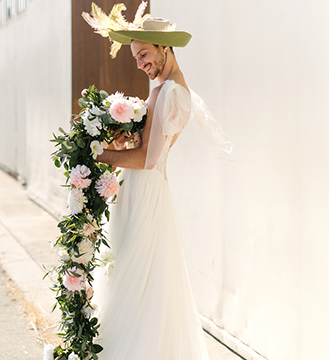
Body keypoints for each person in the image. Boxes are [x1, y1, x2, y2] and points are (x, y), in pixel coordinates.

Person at [84, 6, 232, 360]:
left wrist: (99, 154)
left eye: (144, 55)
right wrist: (120, 140)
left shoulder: (172, 93)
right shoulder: (164, 88)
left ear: (164, 48)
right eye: (136, 57)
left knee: (140, 278)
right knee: (132, 276)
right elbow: (141, 149)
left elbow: (149, 161)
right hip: (139, 192)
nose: (139, 64)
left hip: (147, 193)